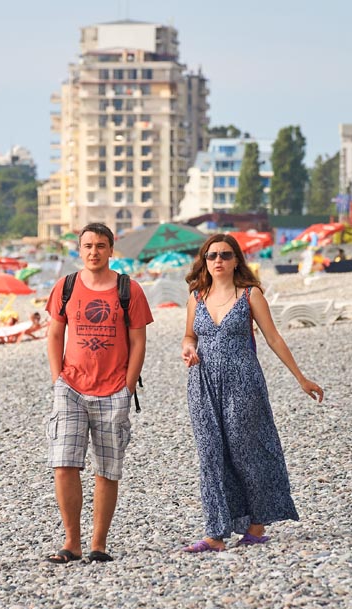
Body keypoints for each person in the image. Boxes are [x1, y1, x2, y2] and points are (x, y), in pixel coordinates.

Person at [180, 234, 324, 552]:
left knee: (249, 454)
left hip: (244, 384)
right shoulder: (197, 296)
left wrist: (301, 378)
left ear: (236, 261)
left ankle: (256, 525)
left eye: (225, 255)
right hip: (202, 385)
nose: (218, 260)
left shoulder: (250, 295)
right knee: (210, 456)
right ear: (204, 261)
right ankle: (215, 533)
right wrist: (188, 350)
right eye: (212, 255)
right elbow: (189, 336)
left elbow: (273, 338)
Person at [45, 222, 153, 564]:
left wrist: (129, 383)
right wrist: (56, 378)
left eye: (101, 246)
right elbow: (53, 334)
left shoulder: (128, 289)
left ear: (110, 250)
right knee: (64, 464)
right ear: (80, 249)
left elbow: (138, 340)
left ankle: (98, 544)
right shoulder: (65, 287)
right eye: (88, 245)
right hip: (71, 386)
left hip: (113, 389)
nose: (94, 252)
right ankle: (71, 542)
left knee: (107, 469)